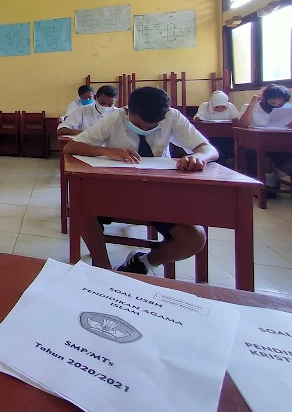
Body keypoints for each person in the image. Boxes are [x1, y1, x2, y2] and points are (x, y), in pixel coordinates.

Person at [63, 87, 218, 275]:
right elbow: (71, 147)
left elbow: (208, 149)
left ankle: (142, 263)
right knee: (82, 207)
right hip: (117, 192)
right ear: (128, 110)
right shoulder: (116, 117)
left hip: (159, 194)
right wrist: (105, 151)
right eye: (139, 125)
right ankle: (103, 271)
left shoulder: (172, 117)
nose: (145, 130)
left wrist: (199, 157)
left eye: (151, 127)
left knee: (194, 238)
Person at [237, 84, 292, 195]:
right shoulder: (250, 107)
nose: (276, 106)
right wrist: (252, 103)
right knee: (265, 157)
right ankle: (268, 187)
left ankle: (274, 182)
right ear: (264, 99)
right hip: (254, 146)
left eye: (280, 104)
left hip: (279, 145)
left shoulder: (286, 111)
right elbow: (243, 124)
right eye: (272, 103)